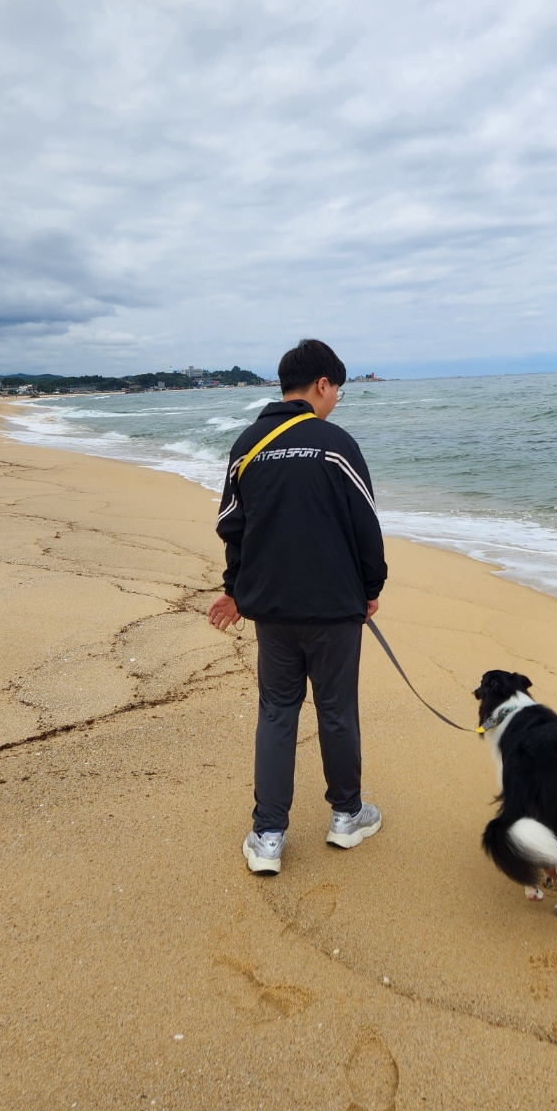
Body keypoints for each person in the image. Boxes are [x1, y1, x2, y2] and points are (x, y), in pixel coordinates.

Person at [208, 338, 388, 874]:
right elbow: (366, 526)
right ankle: (346, 815)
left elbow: (232, 527)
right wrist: (371, 588)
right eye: (337, 392)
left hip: (272, 609)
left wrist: (235, 589)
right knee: (336, 710)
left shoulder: (248, 444)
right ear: (322, 385)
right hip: (334, 608)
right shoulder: (336, 444)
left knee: (277, 711)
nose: (335, 402)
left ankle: (268, 835)